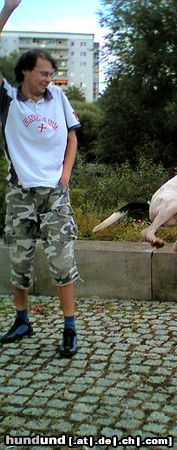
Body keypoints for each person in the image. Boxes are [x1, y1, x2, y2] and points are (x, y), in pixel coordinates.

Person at [0, 0, 81, 357]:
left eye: (51, 73)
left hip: (55, 194)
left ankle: (69, 327)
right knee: (20, 260)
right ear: (25, 72)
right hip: (20, 192)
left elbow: (73, 136)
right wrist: (6, 12)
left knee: (63, 260)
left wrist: (65, 175)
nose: (49, 78)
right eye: (43, 72)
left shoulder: (58, 98)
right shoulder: (7, 100)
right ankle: (22, 320)